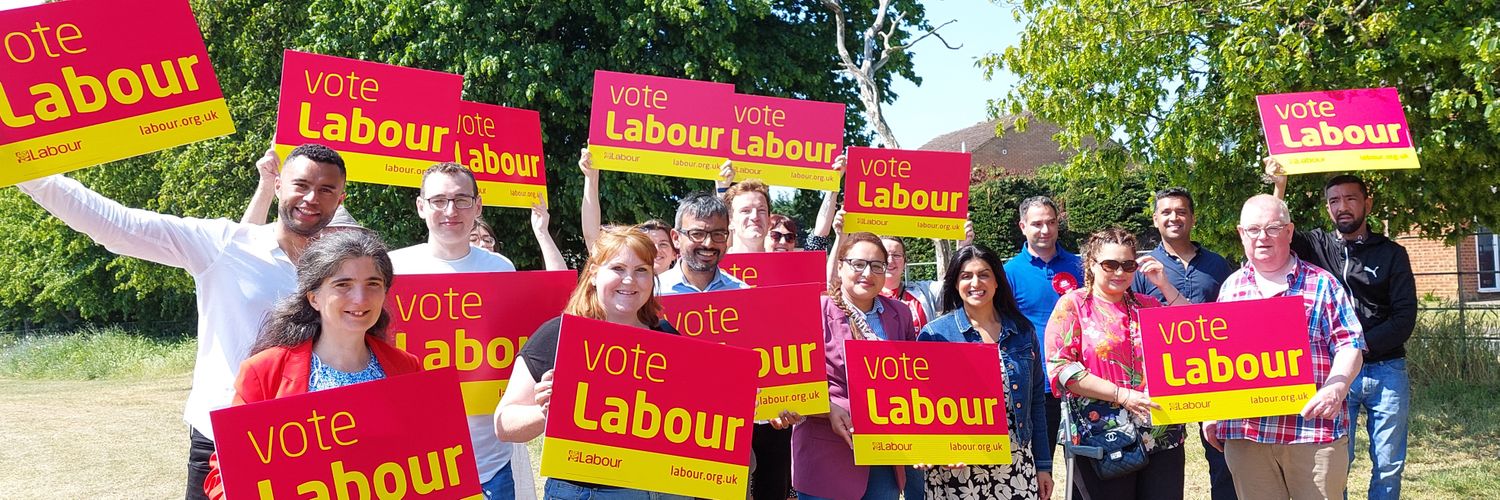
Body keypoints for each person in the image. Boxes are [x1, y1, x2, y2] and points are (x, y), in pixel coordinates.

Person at [15, 143, 347, 500]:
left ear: (340, 198)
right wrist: (26, 170)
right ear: (279, 184)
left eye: (326, 189)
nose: (312, 198)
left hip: (316, 439)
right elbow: (115, 225)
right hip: (225, 440)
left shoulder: (347, 266)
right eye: (301, 185)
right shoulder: (224, 244)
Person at [202, 230, 423, 499]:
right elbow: (223, 476)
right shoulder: (264, 372)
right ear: (314, 297)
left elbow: (428, 457)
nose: (360, 298)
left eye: (373, 283)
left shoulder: (407, 368)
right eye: (343, 284)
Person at [388, 162, 565, 499]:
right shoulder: (393, 268)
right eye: (439, 200)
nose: (450, 210)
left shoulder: (501, 269)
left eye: (461, 200)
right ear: (421, 207)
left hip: (489, 465)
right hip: (416, 467)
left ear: (478, 205)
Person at [494, 226, 690, 499]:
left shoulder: (668, 336)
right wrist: (544, 413)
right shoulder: (558, 335)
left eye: (641, 270)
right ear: (595, 274)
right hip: (585, 492)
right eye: (618, 268)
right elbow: (503, 424)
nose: (630, 280)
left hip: (662, 490)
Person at [1265, 160, 1417, 500]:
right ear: (1327, 207)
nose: (1342, 206)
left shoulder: (1393, 254)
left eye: (1350, 198)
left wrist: (1356, 350)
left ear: (1367, 203)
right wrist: (1279, 185)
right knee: (1336, 461)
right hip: (1333, 376)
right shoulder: (1315, 245)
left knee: (1389, 464)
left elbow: (1404, 318)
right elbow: (1274, 230)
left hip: (1386, 368)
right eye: (1334, 200)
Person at [1204, 194, 1366, 500]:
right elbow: (1217, 360)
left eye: (1273, 228)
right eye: (1253, 230)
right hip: (1248, 434)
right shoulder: (1230, 288)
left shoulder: (1323, 283)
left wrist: (1337, 387)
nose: (1262, 237)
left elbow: (1350, 343)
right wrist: (1212, 411)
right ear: (1241, 234)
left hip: (1312, 433)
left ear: (1289, 232)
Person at [1047, 228, 1187, 500]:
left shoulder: (1147, 306)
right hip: (1099, 434)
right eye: (1110, 264)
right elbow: (1061, 367)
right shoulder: (1073, 305)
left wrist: (1165, 285)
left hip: (1160, 432)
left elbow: (1195, 332)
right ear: (1091, 264)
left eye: (1128, 265)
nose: (1119, 272)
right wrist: (1121, 395)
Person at [918, 244, 1053, 499]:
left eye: (984, 274)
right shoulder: (934, 335)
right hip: (957, 465)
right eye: (966, 276)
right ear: (955, 283)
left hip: (1015, 462)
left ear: (997, 281)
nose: (975, 282)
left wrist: (1044, 465)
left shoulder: (1022, 331)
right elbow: (923, 403)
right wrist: (936, 449)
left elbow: (1036, 401)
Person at [792, 231, 919, 500]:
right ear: (840, 266)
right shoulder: (813, 310)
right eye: (858, 264)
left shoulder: (901, 313)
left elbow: (914, 377)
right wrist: (828, 408)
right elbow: (792, 380)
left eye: (876, 266)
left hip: (884, 459)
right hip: (827, 459)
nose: (867, 273)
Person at [1129, 187, 1237, 500]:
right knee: (1159, 460)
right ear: (1155, 219)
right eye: (1166, 212)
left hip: (1214, 373)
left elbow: (1230, 320)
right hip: (1161, 377)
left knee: (1222, 457)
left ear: (1192, 217)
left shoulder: (1217, 265)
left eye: (1181, 211)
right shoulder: (1141, 268)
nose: (1174, 218)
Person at [1003, 195, 1084, 457]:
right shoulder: (1008, 273)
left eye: (1051, 222)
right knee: (1040, 466)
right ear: (1022, 226)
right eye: (1037, 224)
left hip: (1082, 380)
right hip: (1038, 386)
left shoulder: (1081, 266)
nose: (1045, 230)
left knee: (1088, 468)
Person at [576, 149, 679, 273]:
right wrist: (591, 177)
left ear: (674, 253)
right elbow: (592, 237)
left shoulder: (689, 288)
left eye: (663, 244)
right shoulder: (627, 283)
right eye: (649, 244)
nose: (656, 249)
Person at [656, 192, 749, 293]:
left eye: (718, 234)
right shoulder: (652, 293)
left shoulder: (741, 292)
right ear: (676, 238)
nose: (708, 244)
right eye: (697, 234)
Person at [722, 179, 772, 254]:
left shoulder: (782, 265)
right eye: (745, 211)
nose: (755, 217)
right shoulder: (715, 265)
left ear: (769, 220)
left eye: (761, 210)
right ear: (729, 221)